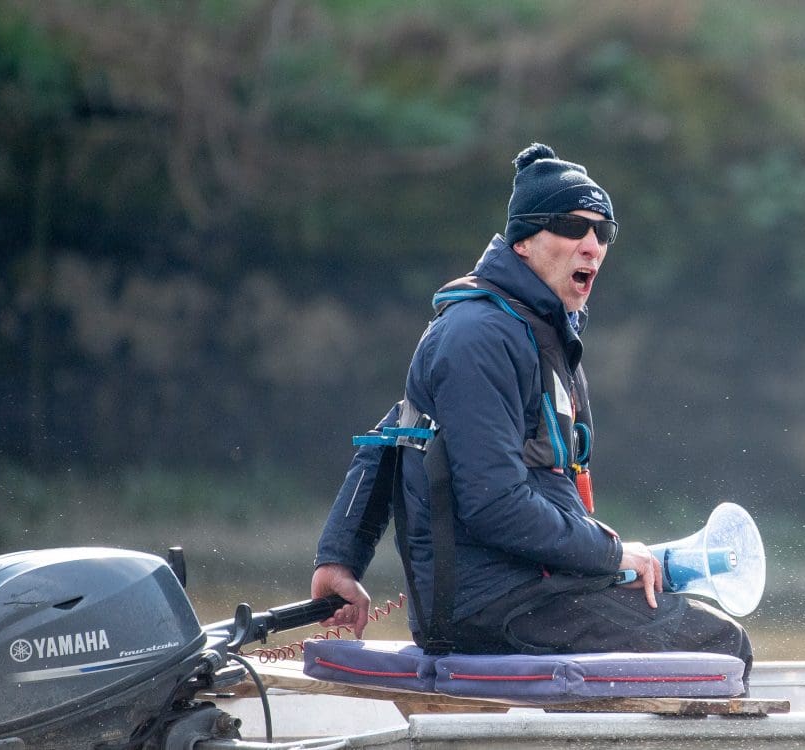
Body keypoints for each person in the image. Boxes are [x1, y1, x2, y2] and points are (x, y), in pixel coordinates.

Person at [308, 143, 751, 668]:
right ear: (522, 241)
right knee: (720, 645)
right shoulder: (477, 336)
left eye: (603, 231)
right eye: (572, 227)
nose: (592, 245)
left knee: (700, 628)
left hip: (537, 589)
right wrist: (611, 554)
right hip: (491, 607)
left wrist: (610, 563)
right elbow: (492, 503)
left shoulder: (537, 332)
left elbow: (392, 435)